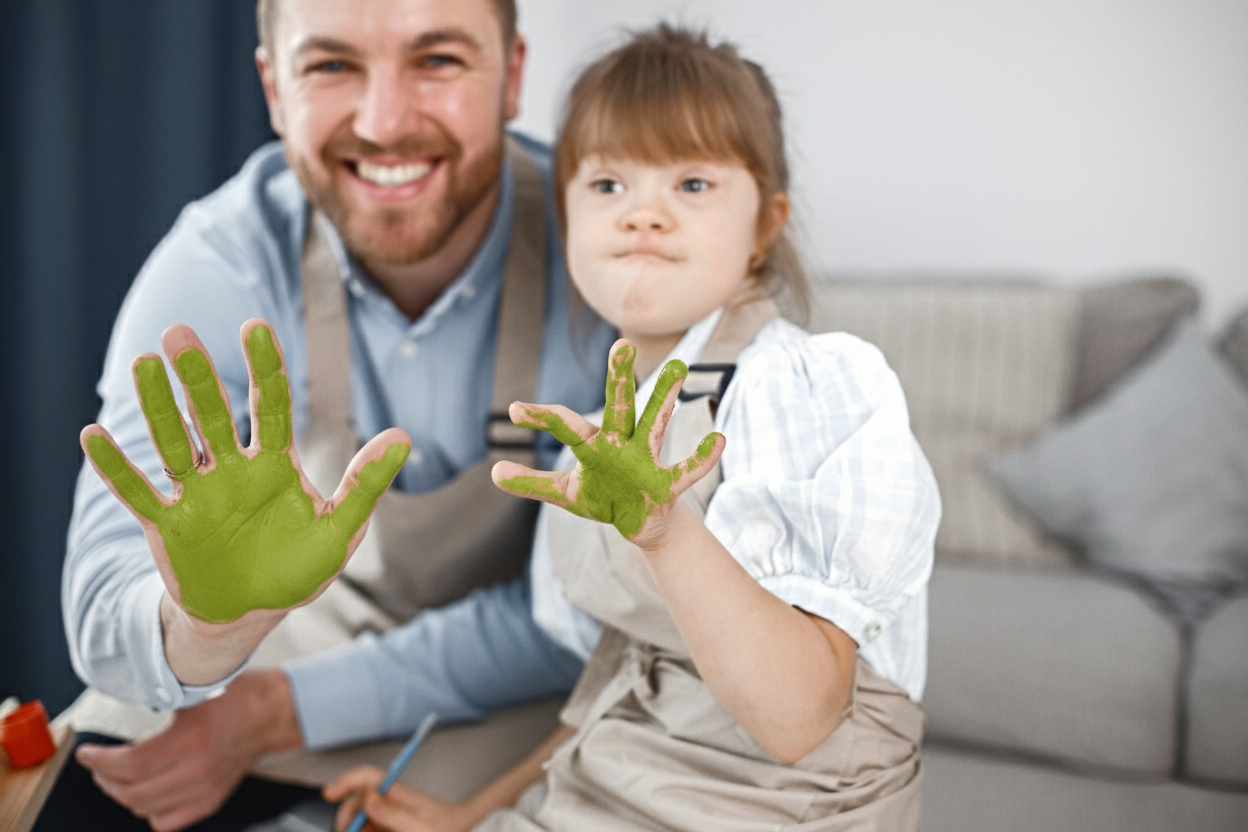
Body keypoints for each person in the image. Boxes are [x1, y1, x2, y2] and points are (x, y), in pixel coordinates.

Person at [325, 24, 941, 832]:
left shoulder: (807, 387)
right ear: (568, 218)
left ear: (765, 224)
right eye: (608, 185)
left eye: (691, 184)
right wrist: (472, 815)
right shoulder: (607, 421)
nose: (644, 215)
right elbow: (626, 680)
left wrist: (665, 531)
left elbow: (799, 719)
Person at [53, 0, 614, 830]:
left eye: (437, 61)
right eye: (331, 66)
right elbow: (104, 613)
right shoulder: (218, 264)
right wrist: (204, 629)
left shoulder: (611, 249)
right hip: (262, 655)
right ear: (273, 88)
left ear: (514, 77)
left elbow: (584, 608)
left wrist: (278, 712)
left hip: (515, 695)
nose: (385, 123)